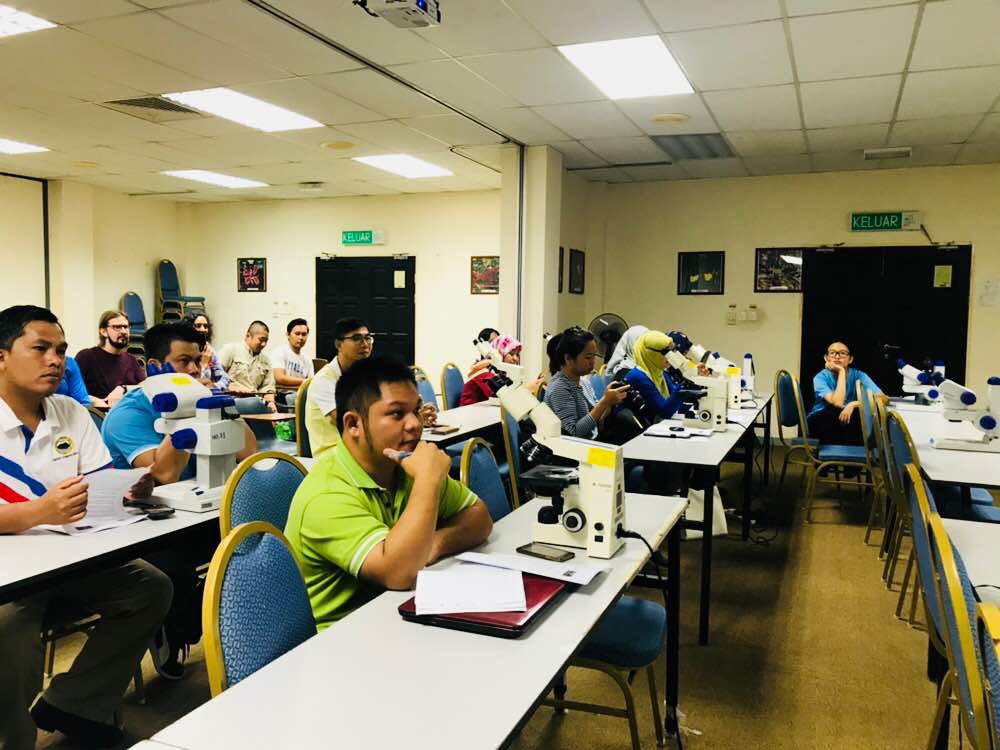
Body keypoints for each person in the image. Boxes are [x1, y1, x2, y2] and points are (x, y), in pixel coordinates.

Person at [0, 305, 172, 750]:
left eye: (59, 349)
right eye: (39, 349)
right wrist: (38, 513)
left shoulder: (69, 412)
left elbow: (97, 483)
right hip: (12, 575)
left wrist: (128, 490)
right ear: (1, 356)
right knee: (10, 626)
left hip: (72, 558)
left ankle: (72, 703)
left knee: (150, 587)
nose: (55, 360)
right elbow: (45, 510)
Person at [285, 355, 492, 629]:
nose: (415, 424)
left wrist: (436, 543)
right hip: (343, 644)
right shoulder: (326, 494)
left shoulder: (403, 466)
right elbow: (399, 573)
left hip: (399, 618)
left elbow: (479, 518)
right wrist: (429, 481)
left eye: (416, 410)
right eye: (397, 414)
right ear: (353, 424)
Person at [102, 322, 257, 678]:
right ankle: (172, 624)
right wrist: (182, 415)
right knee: (173, 571)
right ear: (155, 366)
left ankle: (205, 618)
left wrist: (221, 410)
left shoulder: (202, 399)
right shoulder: (128, 416)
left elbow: (247, 453)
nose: (193, 371)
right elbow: (165, 474)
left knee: (258, 542)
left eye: (197, 362)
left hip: (202, 512)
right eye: (183, 362)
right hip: (149, 526)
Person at [544, 327, 630, 439]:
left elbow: (596, 418)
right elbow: (573, 433)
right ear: (568, 359)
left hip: (591, 443)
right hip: (574, 451)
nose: (593, 361)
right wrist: (604, 402)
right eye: (588, 357)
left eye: (594, 355)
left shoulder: (584, 382)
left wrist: (609, 402)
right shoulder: (559, 388)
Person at [807, 341, 889, 445]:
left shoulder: (859, 375)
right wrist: (841, 371)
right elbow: (837, 402)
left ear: (850, 359)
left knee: (864, 416)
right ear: (826, 358)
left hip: (849, 419)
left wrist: (854, 404)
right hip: (821, 419)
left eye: (842, 353)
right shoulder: (820, 378)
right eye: (832, 353)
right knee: (834, 410)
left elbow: (884, 399)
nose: (837, 357)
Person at [74, 310, 145, 407]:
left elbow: (145, 386)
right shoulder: (86, 356)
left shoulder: (131, 360)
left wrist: (123, 389)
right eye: (117, 327)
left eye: (126, 327)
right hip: (96, 414)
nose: (124, 331)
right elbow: (72, 389)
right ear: (103, 331)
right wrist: (96, 402)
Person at [458, 334, 543, 406]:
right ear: (499, 353)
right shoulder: (485, 373)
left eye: (517, 355)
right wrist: (529, 390)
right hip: (471, 418)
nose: (515, 358)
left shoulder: (500, 372)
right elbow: (501, 398)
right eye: (511, 354)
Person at [622, 330, 685, 421]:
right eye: (666, 351)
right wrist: (686, 383)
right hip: (636, 432)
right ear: (649, 353)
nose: (671, 356)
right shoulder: (638, 377)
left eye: (672, 350)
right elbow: (664, 411)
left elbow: (677, 405)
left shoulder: (661, 373)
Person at [218, 321, 277, 411]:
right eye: (261, 340)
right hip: (232, 400)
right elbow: (215, 375)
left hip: (256, 402)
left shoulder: (266, 360)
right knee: (254, 405)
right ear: (248, 336)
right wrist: (229, 386)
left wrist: (271, 403)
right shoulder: (231, 350)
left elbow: (268, 387)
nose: (263, 344)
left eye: (266, 341)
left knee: (273, 415)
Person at [185, 311, 229, 391]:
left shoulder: (209, 350)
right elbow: (192, 385)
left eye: (205, 326)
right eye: (198, 326)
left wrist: (214, 386)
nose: (203, 329)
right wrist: (204, 365)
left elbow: (224, 378)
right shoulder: (184, 351)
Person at [271, 318, 314, 393]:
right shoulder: (280, 352)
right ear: (288, 335)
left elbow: (311, 383)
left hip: (302, 395)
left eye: (304, 334)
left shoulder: (307, 359)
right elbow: (279, 378)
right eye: (297, 334)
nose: (301, 338)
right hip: (282, 396)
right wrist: (304, 381)